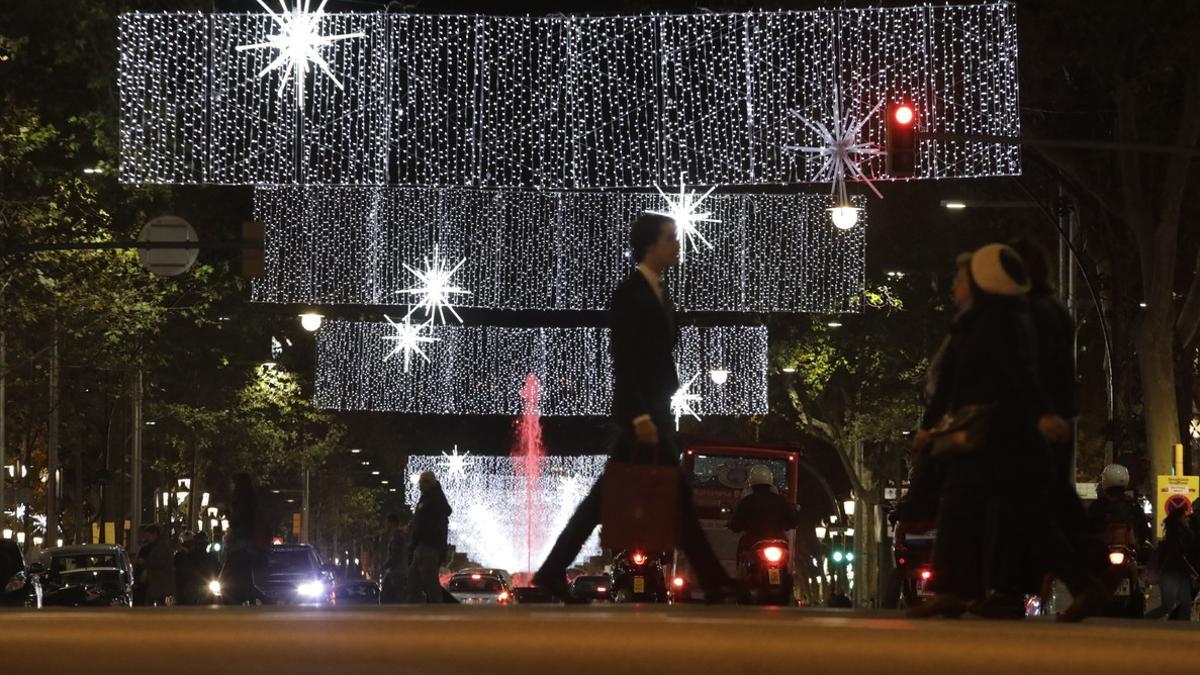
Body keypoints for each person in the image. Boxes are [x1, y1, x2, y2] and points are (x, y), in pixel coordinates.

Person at [532, 212, 736, 603]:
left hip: (653, 409)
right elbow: (624, 360)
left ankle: (551, 571)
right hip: (643, 415)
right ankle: (714, 580)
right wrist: (639, 415)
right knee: (669, 496)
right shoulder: (630, 294)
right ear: (650, 245)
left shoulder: (659, 291)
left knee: (612, 500)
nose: (677, 245)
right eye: (671, 238)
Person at [908, 243, 1071, 619]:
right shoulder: (970, 323)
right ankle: (969, 589)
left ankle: (979, 590)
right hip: (979, 436)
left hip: (1000, 436)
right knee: (975, 510)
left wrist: (1041, 414)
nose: (953, 286)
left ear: (982, 281)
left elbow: (1022, 373)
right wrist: (928, 428)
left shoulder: (1000, 322)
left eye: (960, 278)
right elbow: (947, 383)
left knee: (982, 510)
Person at [727, 465, 800, 564]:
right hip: (779, 543)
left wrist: (732, 525)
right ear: (770, 481)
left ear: (751, 482)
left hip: (753, 543)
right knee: (785, 565)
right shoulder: (782, 500)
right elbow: (794, 521)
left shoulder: (746, 501)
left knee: (744, 559)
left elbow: (736, 524)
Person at [219, 473, 265, 605]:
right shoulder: (250, 499)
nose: (231, 486)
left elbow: (239, 522)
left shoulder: (241, 501)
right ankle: (259, 599)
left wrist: (228, 515)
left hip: (240, 542)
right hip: (246, 543)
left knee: (227, 577)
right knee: (244, 577)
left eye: (233, 483)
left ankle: (256, 598)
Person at [407, 471, 451, 603]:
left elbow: (432, 526)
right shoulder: (427, 498)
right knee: (414, 579)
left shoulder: (434, 500)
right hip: (422, 545)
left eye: (422, 482)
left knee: (429, 581)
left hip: (429, 546)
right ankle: (416, 607)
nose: (420, 485)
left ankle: (436, 608)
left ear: (428, 483)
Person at [1154, 497, 1196, 621]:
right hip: (1172, 573)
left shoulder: (1178, 533)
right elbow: (1179, 554)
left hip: (1179, 573)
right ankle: (1143, 621)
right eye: (1185, 517)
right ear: (1179, 518)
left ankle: (1180, 633)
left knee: (1185, 605)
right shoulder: (1178, 534)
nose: (1187, 519)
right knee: (1168, 607)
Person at [1087, 464, 1150, 547]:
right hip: (1126, 549)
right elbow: (1143, 529)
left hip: (1107, 549)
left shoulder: (1098, 505)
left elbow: (1089, 529)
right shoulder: (1133, 504)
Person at [175, 531, 221, 606]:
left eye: (204, 544)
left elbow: (217, 569)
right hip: (192, 585)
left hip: (207, 584)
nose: (202, 546)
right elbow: (183, 571)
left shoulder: (211, 557)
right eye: (200, 544)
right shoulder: (187, 556)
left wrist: (217, 578)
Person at [139, 523, 176, 606]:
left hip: (160, 584)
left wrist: (145, 563)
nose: (147, 538)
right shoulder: (157, 546)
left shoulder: (161, 547)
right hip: (157, 584)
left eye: (149, 536)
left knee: (157, 605)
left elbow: (160, 562)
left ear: (155, 534)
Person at [380, 511, 411, 604]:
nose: (385, 525)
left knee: (397, 597)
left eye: (386, 523)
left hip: (397, 572)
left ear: (391, 523)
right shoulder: (399, 536)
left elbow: (395, 556)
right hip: (396, 571)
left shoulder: (397, 536)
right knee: (393, 597)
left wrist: (383, 567)